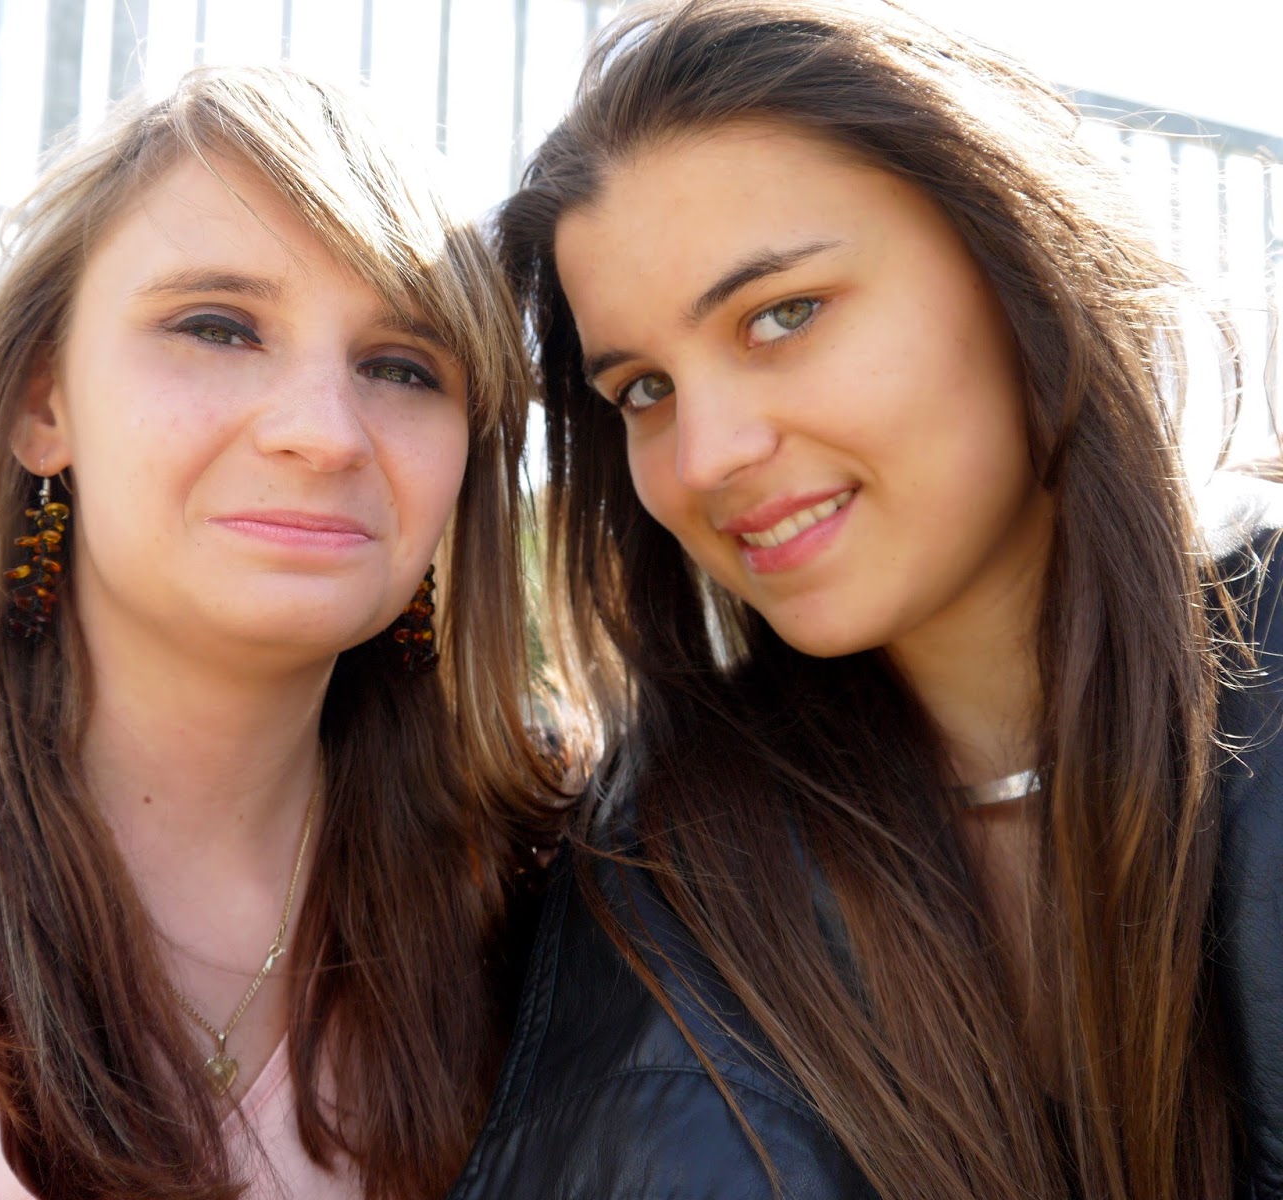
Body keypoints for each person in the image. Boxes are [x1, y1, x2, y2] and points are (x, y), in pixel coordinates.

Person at [448, 2, 1283, 1198]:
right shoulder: (653, 874)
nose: (706, 456)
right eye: (643, 390)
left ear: (1017, 266)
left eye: (782, 315)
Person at [0, 64, 559, 1200]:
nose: (324, 432)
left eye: (401, 367)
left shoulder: (548, 914)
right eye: (217, 327)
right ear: (41, 404)